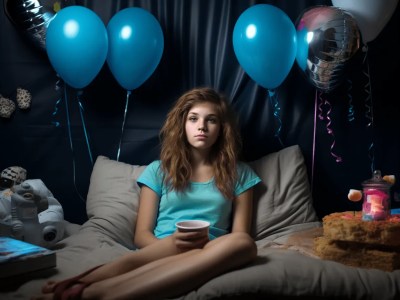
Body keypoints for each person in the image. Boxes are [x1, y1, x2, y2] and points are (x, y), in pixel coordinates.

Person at [33, 87, 261, 300]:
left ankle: (92, 292)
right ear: (182, 125)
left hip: (214, 250)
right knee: (179, 248)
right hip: (165, 246)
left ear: (222, 128)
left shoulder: (239, 173)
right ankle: (84, 284)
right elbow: (141, 235)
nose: (202, 126)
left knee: (243, 243)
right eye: (193, 119)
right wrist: (173, 247)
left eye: (211, 120)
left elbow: (239, 234)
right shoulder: (158, 170)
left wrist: (205, 250)